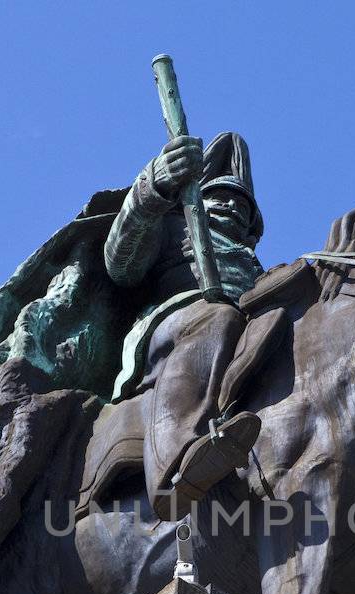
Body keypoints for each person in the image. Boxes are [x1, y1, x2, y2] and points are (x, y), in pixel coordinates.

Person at [104, 131, 266, 518]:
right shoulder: (174, 228)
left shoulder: (254, 265)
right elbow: (120, 263)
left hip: (248, 324)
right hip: (179, 324)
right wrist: (155, 185)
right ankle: (174, 466)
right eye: (220, 196)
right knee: (219, 317)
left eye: (242, 205)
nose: (231, 205)